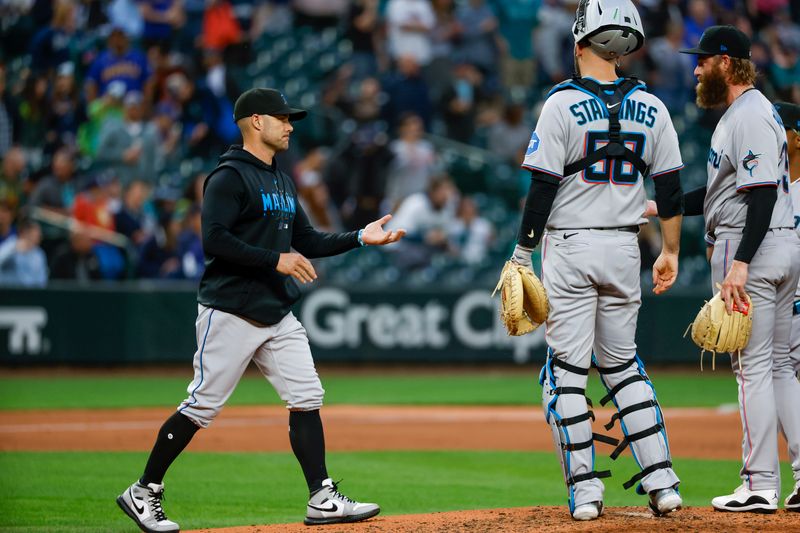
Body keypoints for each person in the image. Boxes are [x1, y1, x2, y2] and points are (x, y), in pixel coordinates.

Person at [116, 87, 406, 532]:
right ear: (255, 121)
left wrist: (360, 237)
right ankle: (144, 490)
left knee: (307, 397)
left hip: (275, 311)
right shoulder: (229, 177)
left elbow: (306, 241)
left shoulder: (281, 179)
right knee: (201, 406)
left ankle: (321, 498)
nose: (290, 125)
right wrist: (276, 259)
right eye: (282, 118)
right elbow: (215, 239)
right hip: (230, 309)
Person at [511, 0, 685, 521]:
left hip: (569, 243)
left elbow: (542, 186)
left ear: (580, 40)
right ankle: (663, 483)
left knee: (565, 371)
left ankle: (586, 490)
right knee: (623, 366)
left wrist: (522, 250)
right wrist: (670, 250)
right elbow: (671, 190)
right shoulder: (652, 105)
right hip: (625, 245)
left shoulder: (561, 103)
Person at [678, 26, 800, 513]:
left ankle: (759, 484)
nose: (696, 68)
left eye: (704, 60)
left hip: (751, 248)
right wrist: (656, 206)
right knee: (780, 368)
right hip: (781, 247)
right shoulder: (758, 113)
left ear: (726, 63)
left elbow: (762, 194)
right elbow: (719, 195)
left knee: (751, 369)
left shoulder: (747, 115)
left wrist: (742, 262)